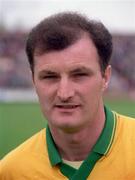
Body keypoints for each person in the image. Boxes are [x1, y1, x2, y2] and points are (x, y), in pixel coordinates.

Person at [0, 12, 135, 180]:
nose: (64, 93)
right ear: (34, 81)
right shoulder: (11, 172)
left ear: (105, 77)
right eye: (49, 77)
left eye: (79, 75)